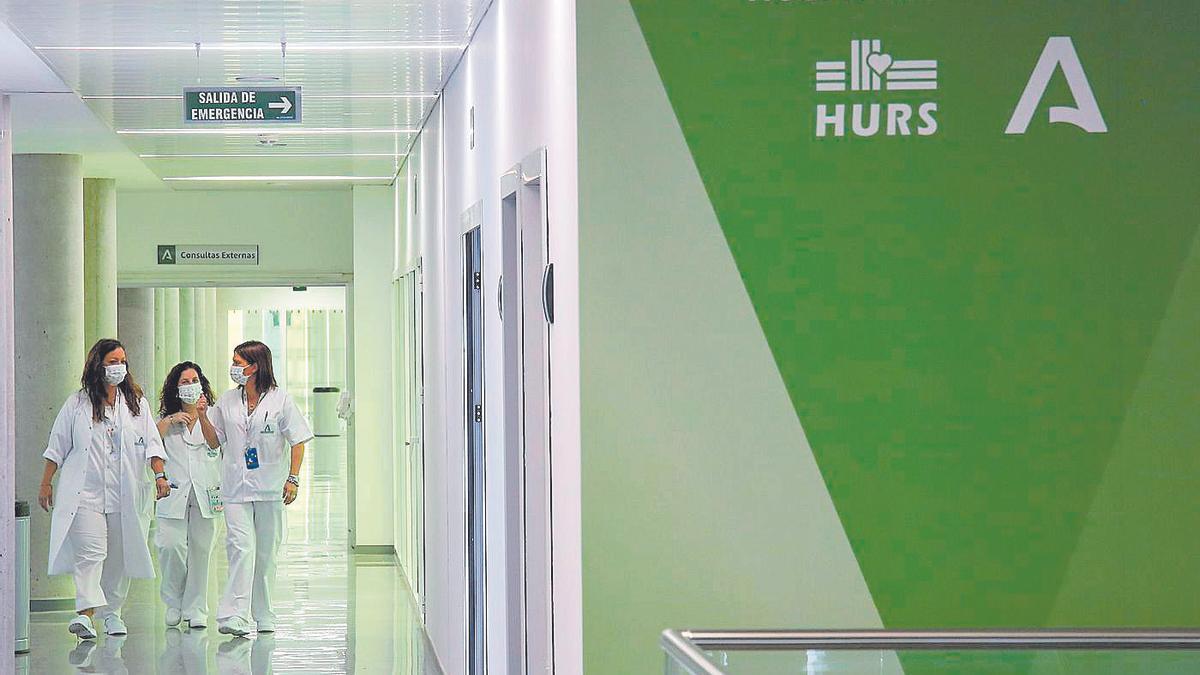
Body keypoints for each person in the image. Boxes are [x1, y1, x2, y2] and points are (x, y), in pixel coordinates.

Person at [38, 338, 170, 640]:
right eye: (112, 361)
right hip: (85, 494)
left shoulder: (137, 404)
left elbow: (152, 443)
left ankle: (113, 613)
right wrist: (46, 482)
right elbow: (57, 445)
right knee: (91, 553)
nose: (119, 367)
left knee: (119, 557)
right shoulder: (77, 403)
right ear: (98, 365)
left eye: (122, 361)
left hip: (125, 493)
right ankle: (85, 615)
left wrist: (160, 475)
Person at [206, 340, 313, 636]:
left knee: (266, 553)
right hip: (235, 489)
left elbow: (298, 440)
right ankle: (234, 615)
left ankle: (264, 614)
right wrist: (203, 415)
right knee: (241, 548)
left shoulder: (281, 400)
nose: (234, 368)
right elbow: (214, 441)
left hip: (270, 488)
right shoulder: (227, 401)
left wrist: (293, 478)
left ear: (255, 367)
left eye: (238, 363)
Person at [155, 361, 223, 629]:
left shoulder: (214, 415)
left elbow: (215, 443)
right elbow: (150, 443)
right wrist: (170, 420)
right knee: (171, 547)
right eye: (184, 382)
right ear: (175, 388)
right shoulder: (165, 420)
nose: (190, 385)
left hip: (206, 491)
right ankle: (174, 602)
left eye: (194, 380)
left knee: (201, 551)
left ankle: (196, 608)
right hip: (174, 492)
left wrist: (203, 415)